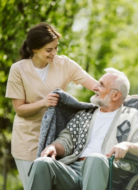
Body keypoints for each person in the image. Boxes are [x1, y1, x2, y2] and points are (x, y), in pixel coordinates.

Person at [26, 68, 138, 190]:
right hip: (73, 170)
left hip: (110, 171)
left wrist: (127, 146)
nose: (94, 87)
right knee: (42, 163)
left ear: (115, 95)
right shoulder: (84, 115)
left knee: (95, 158)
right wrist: (53, 147)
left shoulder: (132, 116)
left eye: (101, 85)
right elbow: (66, 140)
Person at [5, 22, 97, 189]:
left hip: (54, 140)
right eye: (49, 50)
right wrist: (43, 103)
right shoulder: (18, 70)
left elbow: (95, 86)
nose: (54, 53)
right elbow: (19, 109)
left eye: (56, 48)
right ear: (34, 49)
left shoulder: (65, 64)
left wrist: (121, 94)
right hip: (28, 140)